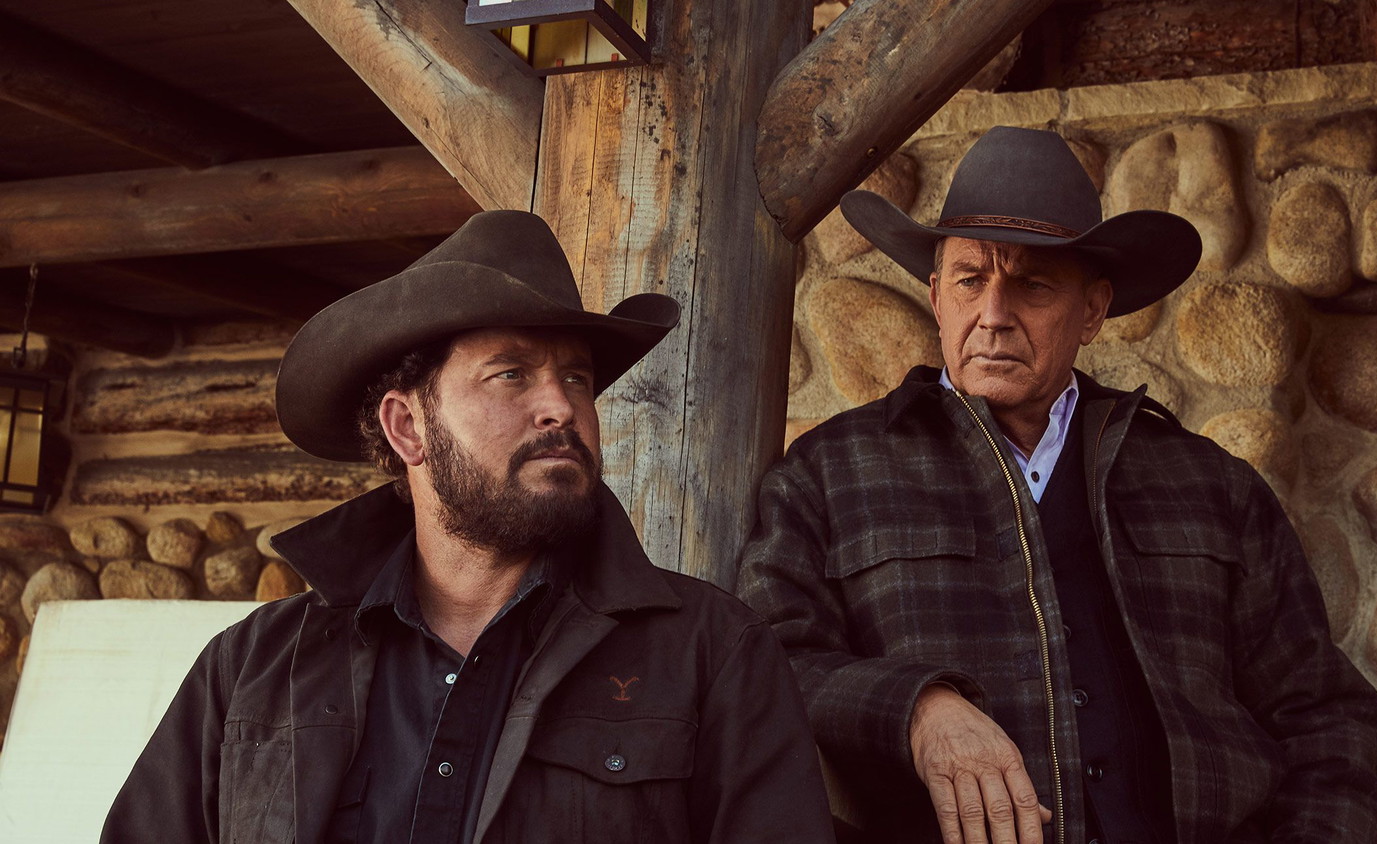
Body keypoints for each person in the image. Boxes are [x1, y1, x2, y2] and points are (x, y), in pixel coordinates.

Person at [737, 127, 1377, 844]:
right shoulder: (829, 475)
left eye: (1033, 283)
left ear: (1093, 310)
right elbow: (766, 664)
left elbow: (1324, 718)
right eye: (969, 279)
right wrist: (919, 708)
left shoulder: (1212, 488)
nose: (993, 314)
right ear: (935, 296)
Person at [103, 210, 834, 844]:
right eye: (511, 374)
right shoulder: (253, 667)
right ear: (408, 427)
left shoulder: (712, 652)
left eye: (575, 377)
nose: (560, 406)